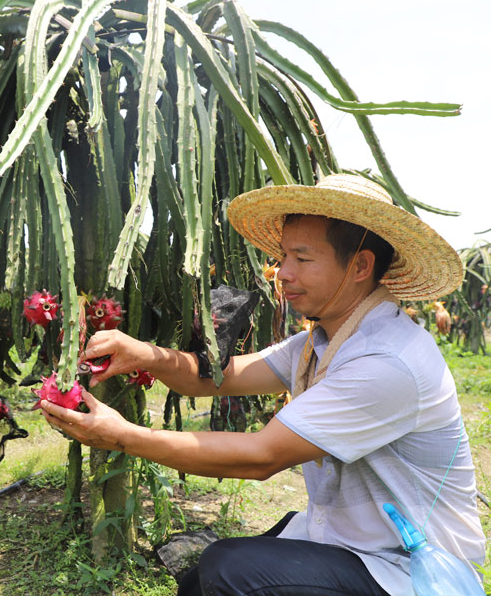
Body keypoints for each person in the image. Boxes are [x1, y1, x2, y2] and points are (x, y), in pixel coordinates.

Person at [40, 175, 486, 595]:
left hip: (410, 570)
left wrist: (122, 436)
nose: (282, 273)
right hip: (354, 543)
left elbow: (260, 458)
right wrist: (144, 354)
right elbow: (219, 378)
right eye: (283, 256)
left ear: (360, 265)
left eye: (302, 259)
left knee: (229, 569)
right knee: (198, 582)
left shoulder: (386, 362)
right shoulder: (324, 338)